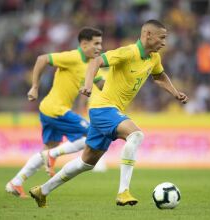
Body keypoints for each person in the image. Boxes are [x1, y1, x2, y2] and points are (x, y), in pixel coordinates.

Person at [29, 19, 188, 208]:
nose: (164, 42)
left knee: (85, 163)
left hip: (107, 112)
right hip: (103, 108)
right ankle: (123, 192)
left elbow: (159, 76)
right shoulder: (127, 52)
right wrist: (88, 85)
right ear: (147, 35)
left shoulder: (154, 58)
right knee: (136, 135)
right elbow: (96, 61)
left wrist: (175, 93)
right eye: (162, 38)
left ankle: (42, 191)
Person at [6, 27, 104, 198]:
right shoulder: (72, 57)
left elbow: (102, 84)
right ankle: (53, 155)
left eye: (100, 43)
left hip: (49, 109)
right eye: (96, 43)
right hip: (56, 109)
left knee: (47, 148)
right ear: (84, 44)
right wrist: (35, 87)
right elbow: (42, 59)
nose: (100, 47)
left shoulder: (91, 64)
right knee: (94, 134)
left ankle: (16, 182)